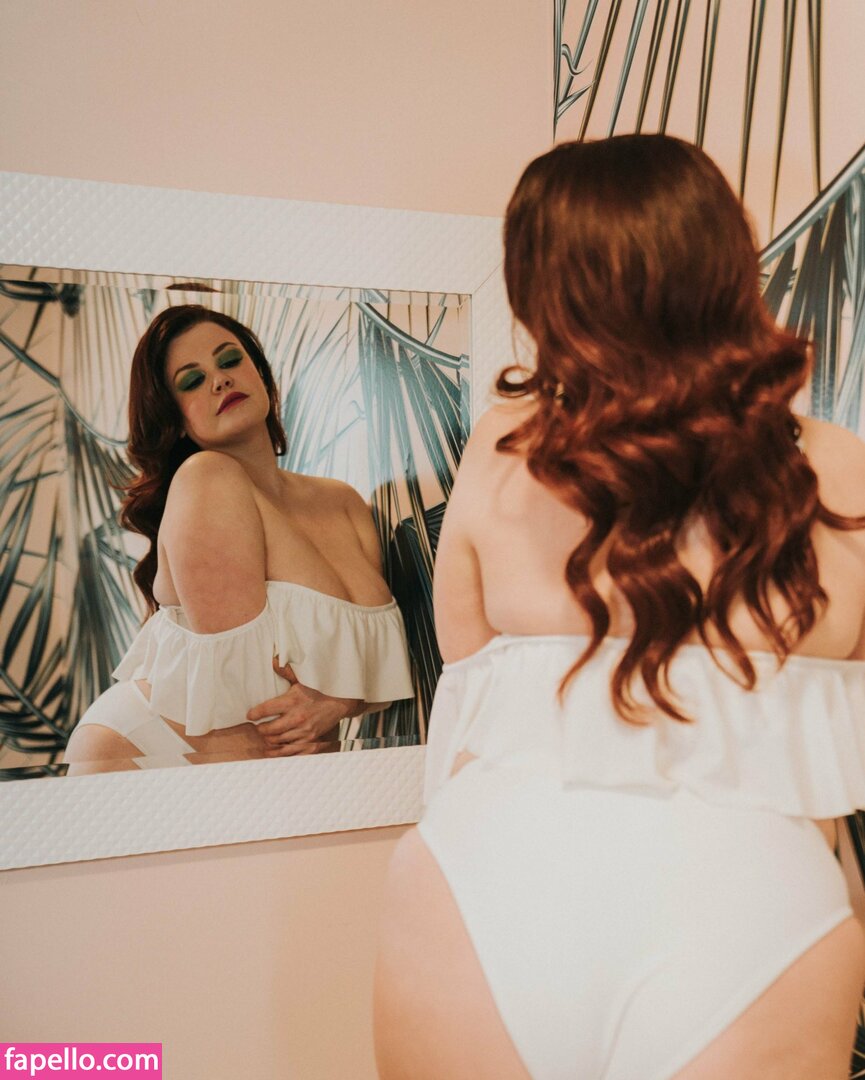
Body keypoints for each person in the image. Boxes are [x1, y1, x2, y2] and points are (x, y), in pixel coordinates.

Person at [373, 135, 865, 1079]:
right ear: (728, 263)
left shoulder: (500, 451)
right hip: (758, 905)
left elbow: (465, 682)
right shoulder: (840, 466)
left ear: (538, 292)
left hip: (492, 881)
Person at [64, 305, 413, 773]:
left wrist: (338, 703)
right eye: (192, 380)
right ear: (176, 420)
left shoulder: (343, 501)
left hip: (276, 773)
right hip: (151, 753)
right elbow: (252, 690)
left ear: (262, 377)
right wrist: (338, 696)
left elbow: (367, 672)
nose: (220, 380)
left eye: (229, 360)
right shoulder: (207, 477)